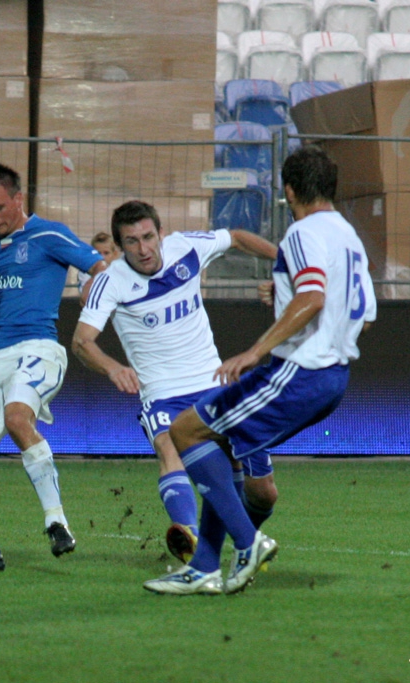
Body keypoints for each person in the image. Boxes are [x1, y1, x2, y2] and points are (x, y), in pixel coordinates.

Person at [144, 146, 377, 595]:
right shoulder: (348, 236)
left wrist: (256, 350)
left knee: (186, 430)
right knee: (221, 445)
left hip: (300, 372)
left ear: (289, 190)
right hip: (333, 377)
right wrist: (293, 303)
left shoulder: (302, 232)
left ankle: (248, 543)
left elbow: (312, 298)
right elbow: (363, 313)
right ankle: (205, 567)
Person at [71, 200, 278, 565]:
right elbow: (81, 341)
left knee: (263, 494)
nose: (144, 248)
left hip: (216, 384)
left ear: (161, 233)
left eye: (149, 237)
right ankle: (191, 538)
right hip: (164, 395)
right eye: (132, 241)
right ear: (119, 247)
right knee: (168, 446)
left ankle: (240, 540)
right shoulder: (111, 281)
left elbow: (237, 237)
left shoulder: (187, 248)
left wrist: (285, 263)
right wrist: (113, 367)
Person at [0, 163, 107, 573]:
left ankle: (56, 521)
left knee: (16, 419)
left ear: (18, 198)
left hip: (38, 349)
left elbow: (99, 269)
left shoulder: (49, 234)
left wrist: (91, 297)